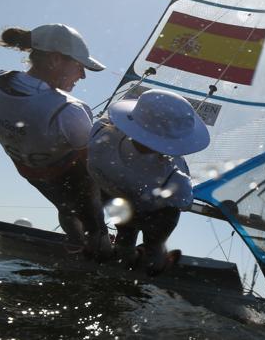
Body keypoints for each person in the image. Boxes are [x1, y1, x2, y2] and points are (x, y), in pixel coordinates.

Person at [0, 24, 112, 259]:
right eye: (79, 66)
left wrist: (26, 137)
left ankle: (75, 241)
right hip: (70, 175)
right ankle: (103, 246)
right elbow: (94, 167)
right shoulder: (69, 110)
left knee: (66, 207)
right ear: (54, 60)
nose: (83, 75)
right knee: (98, 216)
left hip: (32, 173)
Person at [87, 89, 210, 274]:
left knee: (125, 237)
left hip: (118, 206)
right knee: (155, 245)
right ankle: (154, 264)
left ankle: (126, 262)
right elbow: (184, 203)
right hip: (155, 217)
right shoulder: (175, 178)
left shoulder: (99, 134)